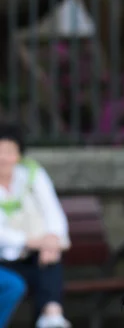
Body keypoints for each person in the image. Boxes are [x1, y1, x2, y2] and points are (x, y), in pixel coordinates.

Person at [0, 122, 71, 328]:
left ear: (19, 155)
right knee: (15, 284)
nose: (3, 158)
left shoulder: (32, 174)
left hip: (33, 255)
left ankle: (52, 316)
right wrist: (30, 241)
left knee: (50, 259)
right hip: (5, 259)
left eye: (9, 151)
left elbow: (53, 212)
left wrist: (52, 241)